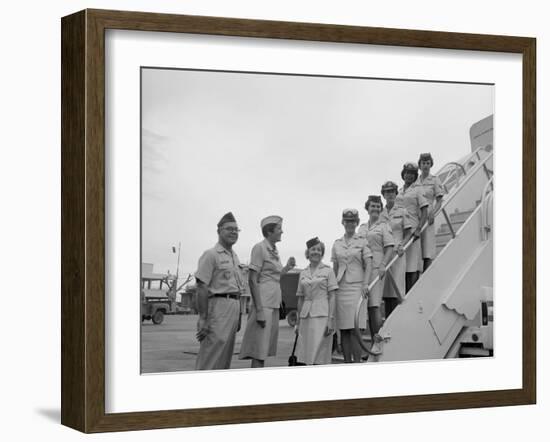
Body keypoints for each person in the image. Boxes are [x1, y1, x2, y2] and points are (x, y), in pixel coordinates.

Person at [239, 215, 296, 368]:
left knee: (264, 350)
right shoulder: (260, 248)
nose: (282, 232)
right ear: (270, 231)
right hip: (263, 303)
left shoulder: (274, 250)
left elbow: (276, 276)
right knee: (259, 350)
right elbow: (252, 279)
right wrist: (259, 310)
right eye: (279, 229)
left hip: (273, 303)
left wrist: (288, 268)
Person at [194, 212, 245, 370]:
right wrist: (203, 318)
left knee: (224, 357)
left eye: (236, 230)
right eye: (229, 229)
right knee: (211, 354)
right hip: (218, 308)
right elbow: (201, 287)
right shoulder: (211, 255)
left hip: (233, 308)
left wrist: (239, 315)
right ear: (219, 231)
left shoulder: (234, 257)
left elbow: (237, 289)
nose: (233, 232)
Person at [331, 209, 373, 363]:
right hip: (341, 288)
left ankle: (357, 364)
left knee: (356, 329)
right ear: (343, 222)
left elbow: (369, 263)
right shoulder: (337, 244)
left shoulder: (362, 240)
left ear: (356, 223)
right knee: (344, 330)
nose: (350, 224)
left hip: (357, 288)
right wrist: (333, 287)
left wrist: (365, 283)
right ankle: (347, 364)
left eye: (353, 221)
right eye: (347, 221)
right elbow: (335, 267)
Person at [358, 196, 395, 353]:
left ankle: (378, 342)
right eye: (372, 206)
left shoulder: (384, 226)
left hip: (376, 268)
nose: (375, 208)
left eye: (378, 206)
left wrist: (383, 265)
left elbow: (390, 247)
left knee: (374, 306)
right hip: (361, 268)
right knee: (364, 307)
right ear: (367, 208)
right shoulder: (362, 227)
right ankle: (372, 341)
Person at [295, 237, 338, 365]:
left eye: (319, 250)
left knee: (320, 354)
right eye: (313, 249)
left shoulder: (328, 271)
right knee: (305, 353)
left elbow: (332, 296)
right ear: (308, 253)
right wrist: (298, 322)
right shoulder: (303, 273)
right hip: (305, 317)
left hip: (322, 316)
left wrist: (331, 319)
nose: (316, 252)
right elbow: (300, 298)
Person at [380, 181, 413, 318]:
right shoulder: (380, 214)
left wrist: (403, 245)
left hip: (397, 253)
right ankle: (388, 318)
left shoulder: (402, 211)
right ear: (383, 194)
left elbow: (409, 232)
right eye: (387, 192)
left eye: (392, 191)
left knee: (397, 287)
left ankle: (398, 318)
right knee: (385, 289)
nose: (390, 194)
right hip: (383, 254)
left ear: (396, 193)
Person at [396, 162, 429, 292]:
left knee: (412, 263)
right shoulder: (399, 192)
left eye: (412, 174)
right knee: (401, 262)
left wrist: (419, 229)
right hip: (400, 230)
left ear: (415, 175)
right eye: (407, 173)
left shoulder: (418, 189)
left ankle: (413, 291)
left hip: (412, 229)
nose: (408, 176)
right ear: (403, 174)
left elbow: (425, 210)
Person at [416, 153, 444, 271]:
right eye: (423, 163)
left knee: (427, 249)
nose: (426, 165)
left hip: (427, 217)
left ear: (431, 164)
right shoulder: (415, 181)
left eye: (428, 163)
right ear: (420, 165)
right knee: (417, 248)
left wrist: (433, 213)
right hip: (415, 217)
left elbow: (439, 200)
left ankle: (427, 273)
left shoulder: (434, 180)